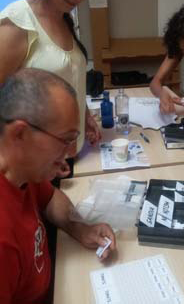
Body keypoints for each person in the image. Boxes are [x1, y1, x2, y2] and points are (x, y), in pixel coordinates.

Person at [0, 68, 116, 304]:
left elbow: (51, 198)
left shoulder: (22, 171)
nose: (71, 152)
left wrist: (79, 228)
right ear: (20, 134)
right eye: (66, 139)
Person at [0, 0, 102, 177]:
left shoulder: (63, 17)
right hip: (34, 168)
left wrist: (84, 114)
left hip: (65, 158)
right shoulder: (17, 24)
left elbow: (67, 78)